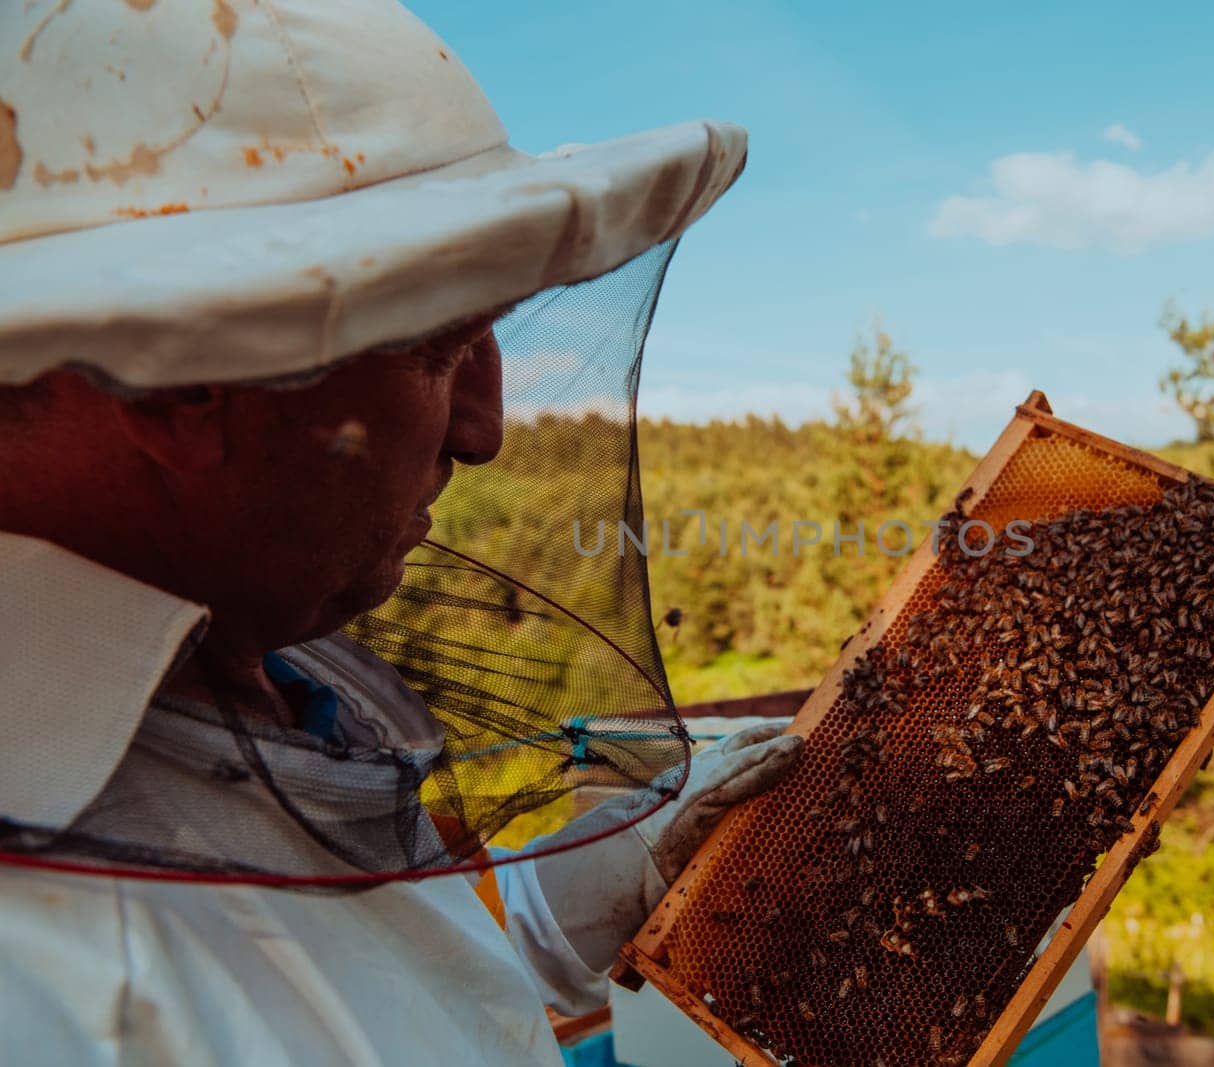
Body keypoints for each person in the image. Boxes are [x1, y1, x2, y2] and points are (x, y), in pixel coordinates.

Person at [0, 1, 800, 1063]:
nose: (484, 429)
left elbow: (339, 987)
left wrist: (567, 906)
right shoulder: (41, 990)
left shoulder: (238, 664)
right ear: (179, 379)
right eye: (438, 349)